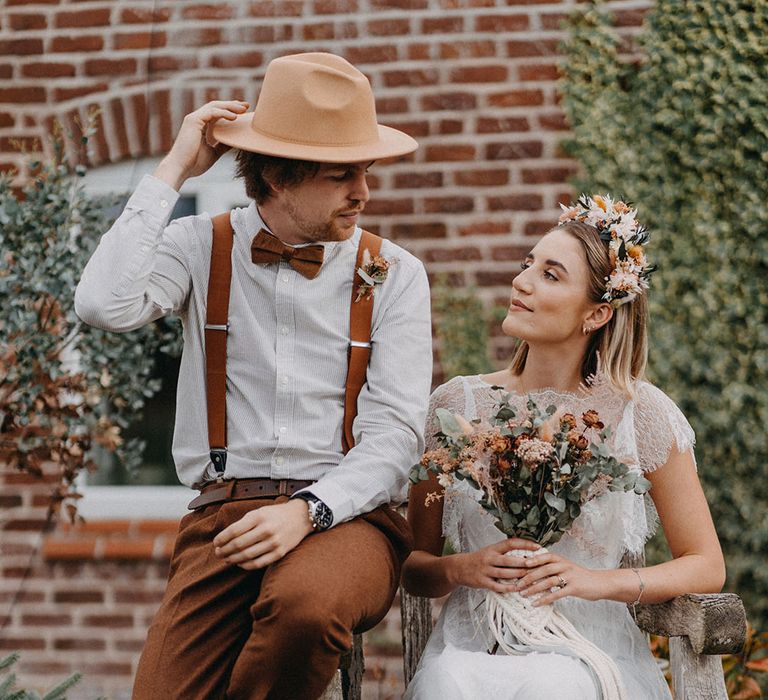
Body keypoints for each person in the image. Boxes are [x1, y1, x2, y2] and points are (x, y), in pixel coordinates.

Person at [74, 52, 433, 699]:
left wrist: (307, 511)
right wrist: (174, 167)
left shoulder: (396, 274)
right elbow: (103, 303)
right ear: (278, 176)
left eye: (365, 170)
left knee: (305, 608)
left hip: (350, 515)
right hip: (224, 516)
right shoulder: (199, 246)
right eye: (340, 174)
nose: (363, 191)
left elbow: (396, 439)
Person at [402, 196, 725, 699]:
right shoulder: (456, 406)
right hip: (472, 652)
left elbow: (706, 563)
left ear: (596, 313)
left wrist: (594, 582)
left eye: (550, 275)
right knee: (448, 686)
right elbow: (413, 565)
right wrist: (462, 568)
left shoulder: (639, 413)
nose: (522, 281)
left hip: (588, 654)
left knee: (552, 685)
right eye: (527, 264)